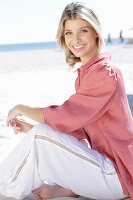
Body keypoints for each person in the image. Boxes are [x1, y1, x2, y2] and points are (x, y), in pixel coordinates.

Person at [0, 1, 133, 200]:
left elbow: (66, 116)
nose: (75, 39)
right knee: (39, 134)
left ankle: (5, 190)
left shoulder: (105, 73)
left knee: (40, 137)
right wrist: (32, 128)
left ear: (95, 32)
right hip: (103, 167)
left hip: (118, 174)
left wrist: (22, 108)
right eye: (68, 32)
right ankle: (70, 189)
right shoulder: (86, 74)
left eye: (83, 30)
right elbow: (79, 128)